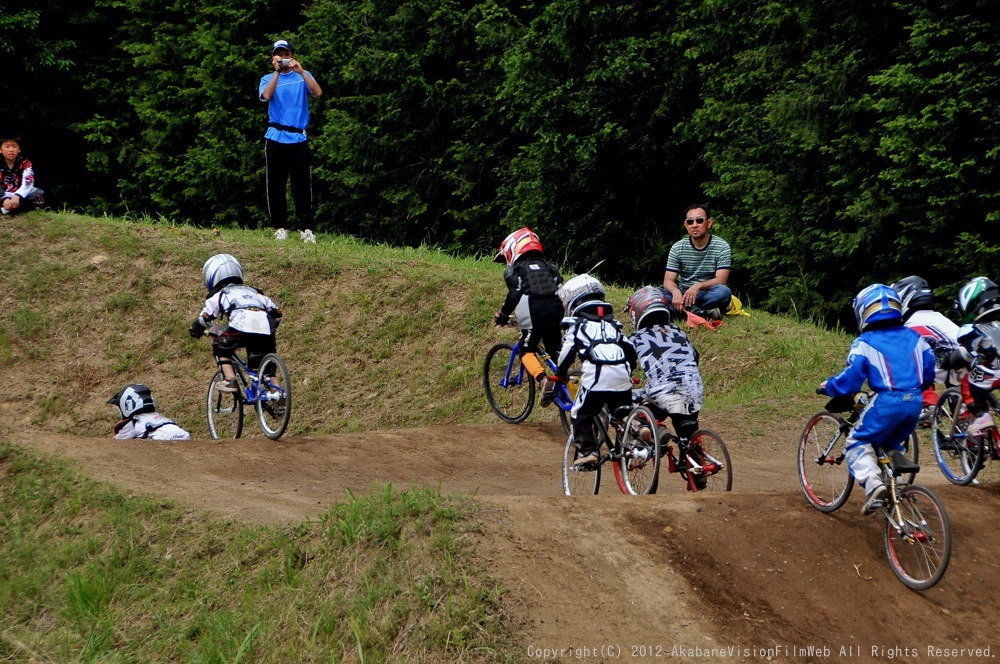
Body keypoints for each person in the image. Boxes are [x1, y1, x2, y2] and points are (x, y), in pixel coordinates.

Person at [819, 284, 935, 515]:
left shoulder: (865, 342)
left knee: (856, 442)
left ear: (863, 311)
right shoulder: (915, 337)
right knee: (890, 441)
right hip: (914, 402)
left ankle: (873, 485)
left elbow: (850, 380)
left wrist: (830, 385)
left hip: (886, 401)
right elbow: (929, 371)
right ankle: (896, 472)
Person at [550, 274, 637, 465]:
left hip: (597, 378)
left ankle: (588, 452)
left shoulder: (577, 326)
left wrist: (559, 373)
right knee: (622, 413)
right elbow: (630, 349)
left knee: (579, 413)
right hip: (622, 377)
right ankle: (636, 436)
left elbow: (566, 353)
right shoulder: (614, 325)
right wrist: (630, 370)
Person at [188, 254, 283, 393]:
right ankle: (278, 393)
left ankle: (230, 379)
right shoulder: (256, 292)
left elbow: (206, 317)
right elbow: (277, 313)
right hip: (265, 328)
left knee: (221, 345)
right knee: (265, 365)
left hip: (241, 325)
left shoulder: (220, 294)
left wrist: (195, 328)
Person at [492, 227, 564, 406]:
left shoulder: (514, 270)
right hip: (557, 311)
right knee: (555, 349)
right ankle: (565, 384)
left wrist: (503, 314)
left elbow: (515, 293)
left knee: (526, 350)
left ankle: (543, 380)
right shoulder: (550, 268)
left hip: (534, 312)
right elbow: (563, 290)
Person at [625, 286, 704, 445]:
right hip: (692, 387)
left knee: (635, 409)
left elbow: (625, 365)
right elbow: (695, 356)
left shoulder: (635, 338)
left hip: (661, 391)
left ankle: (656, 431)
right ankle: (696, 459)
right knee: (687, 429)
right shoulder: (678, 331)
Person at [259, 38, 322, 232]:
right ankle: (280, 227)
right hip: (276, 137)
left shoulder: (303, 75)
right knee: (276, 185)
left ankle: (306, 228)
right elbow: (266, 96)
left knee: (302, 184)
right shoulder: (268, 78)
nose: (284, 58)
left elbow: (317, 92)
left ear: (292, 56)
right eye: (280, 55)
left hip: (298, 138)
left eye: (287, 54)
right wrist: (277, 72)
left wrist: (301, 71)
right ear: (273, 57)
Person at [890, 275, 963, 415]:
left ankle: (928, 405)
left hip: (950, 361)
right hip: (965, 359)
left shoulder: (912, 324)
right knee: (966, 420)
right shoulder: (938, 318)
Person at [662, 203, 732, 320]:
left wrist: (698, 286)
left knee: (723, 292)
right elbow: (668, 280)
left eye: (699, 220)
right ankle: (700, 312)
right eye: (690, 222)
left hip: (707, 292)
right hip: (682, 292)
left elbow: (721, 280)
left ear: (709, 223)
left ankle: (682, 311)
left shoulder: (722, 246)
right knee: (654, 293)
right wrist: (675, 292)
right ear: (686, 225)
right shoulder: (677, 247)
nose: (694, 225)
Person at [951, 276, 1000, 436]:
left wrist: (949, 361)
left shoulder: (972, 329)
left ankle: (982, 416)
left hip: (995, 372)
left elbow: (965, 354)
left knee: (971, 382)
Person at [108, 384, 191, 441]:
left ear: (128, 404)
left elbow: (117, 441)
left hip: (161, 438)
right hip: (184, 435)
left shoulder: (133, 422)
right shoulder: (158, 416)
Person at [1, 134, 45, 215]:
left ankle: (5, 210)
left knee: (38, 193)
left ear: (19, 149)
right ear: (0, 149)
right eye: (7, 147)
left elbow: (28, 182)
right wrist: (3, 198)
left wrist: (18, 195)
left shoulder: (25, 163)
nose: (11, 150)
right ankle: (14, 209)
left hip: (19, 195)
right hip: (2, 194)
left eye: (14, 146)